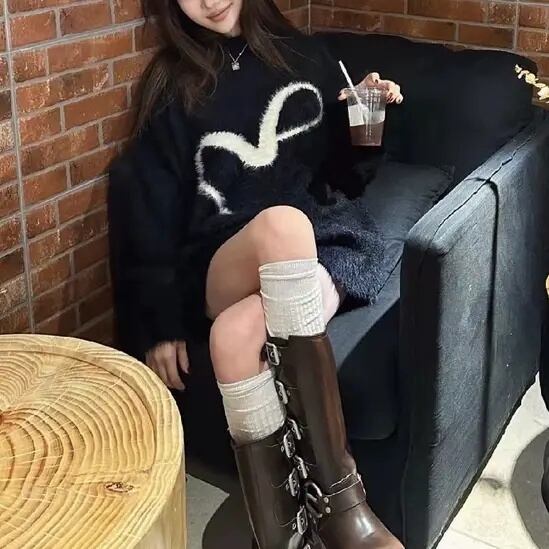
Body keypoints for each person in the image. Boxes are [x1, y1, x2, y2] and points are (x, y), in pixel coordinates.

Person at [108, 1, 405, 547]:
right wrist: (158, 322)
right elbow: (145, 199)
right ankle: (342, 503)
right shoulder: (173, 83)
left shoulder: (306, 57)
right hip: (223, 254)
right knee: (281, 227)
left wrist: (366, 120)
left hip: (318, 239)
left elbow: (346, 179)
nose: (210, 1)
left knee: (235, 335)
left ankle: (283, 532)